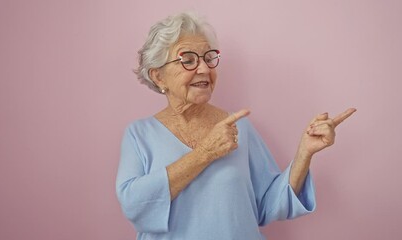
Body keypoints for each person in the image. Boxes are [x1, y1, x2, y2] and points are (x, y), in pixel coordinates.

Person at [116, 12, 356, 240]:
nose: (205, 68)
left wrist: (305, 152)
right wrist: (205, 153)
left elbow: (268, 203)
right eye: (187, 60)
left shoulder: (240, 126)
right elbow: (135, 205)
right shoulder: (139, 134)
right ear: (158, 77)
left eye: (209, 58)